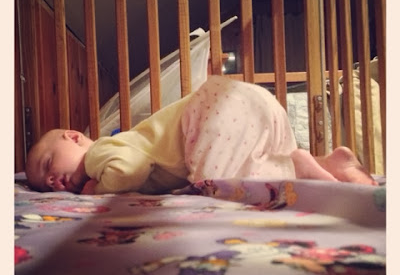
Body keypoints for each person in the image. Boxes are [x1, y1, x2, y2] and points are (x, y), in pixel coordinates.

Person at [25, 76, 377, 195]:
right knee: (251, 170)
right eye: (45, 184)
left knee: (218, 186)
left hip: (212, 114)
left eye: (47, 163)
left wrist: (97, 191)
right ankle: (327, 164)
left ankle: (299, 166)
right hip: (242, 103)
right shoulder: (113, 147)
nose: (52, 180)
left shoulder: (99, 153)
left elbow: (130, 169)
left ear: (74, 137)